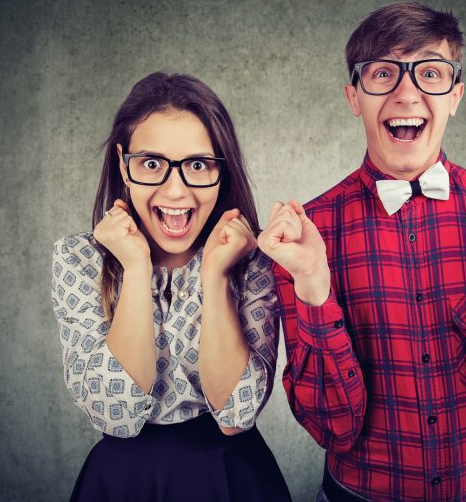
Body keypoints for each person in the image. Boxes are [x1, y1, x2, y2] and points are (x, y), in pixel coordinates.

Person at [258, 2, 466, 501]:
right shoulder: (304, 236)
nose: (407, 93)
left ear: (455, 96)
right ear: (354, 97)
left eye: (430, 72)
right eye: (383, 73)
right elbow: (331, 429)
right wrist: (316, 291)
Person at [51, 72, 291, 501]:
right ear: (124, 164)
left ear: (222, 171)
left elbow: (236, 415)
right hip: (122, 485)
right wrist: (136, 265)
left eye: (198, 165)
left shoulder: (250, 261)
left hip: (231, 481)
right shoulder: (78, 259)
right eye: (152, 163)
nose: (175, 190)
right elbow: (118, 415)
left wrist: (216, 276)